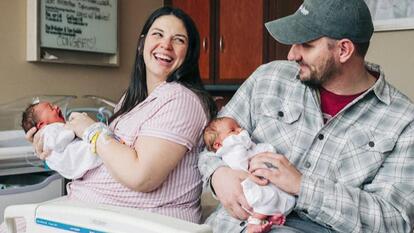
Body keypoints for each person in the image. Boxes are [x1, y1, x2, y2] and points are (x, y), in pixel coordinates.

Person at [199, 0, 414, 232]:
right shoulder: (268, 79)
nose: (292, 54)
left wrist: (303, 186)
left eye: (306, 45)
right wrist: (217, 175)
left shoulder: (402, 121)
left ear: (343, 50)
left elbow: (395, 221)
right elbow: (211, 143)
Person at [0, 6, 217, 233]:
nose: (165, 45)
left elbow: (141, 176)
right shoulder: (131, 100)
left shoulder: (182, 100)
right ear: (142, 43)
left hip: (141, 221)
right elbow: (103, 157)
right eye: (158, 34)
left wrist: (91, 130)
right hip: (94, 213)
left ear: (189, 52)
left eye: (178, 40)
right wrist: (53, 150)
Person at [203, 117, 295, 233]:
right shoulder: (231, 150)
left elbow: (255, 150)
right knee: (266, 197)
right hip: (244, 186)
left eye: (238, 127)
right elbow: (242, 161)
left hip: (256, 180)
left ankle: (270, 216)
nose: (240, 130)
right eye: (233, 130)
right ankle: (254, 223)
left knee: (277, 195)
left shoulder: (240, 145)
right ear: (218, 144)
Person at [21, 101, 102, 179]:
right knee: (95, 147)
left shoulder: (49, 135)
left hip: (74, 170)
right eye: (51, 108)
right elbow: (59, 141)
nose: (56, 107)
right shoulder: (48, 130)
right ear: (42, 124)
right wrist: (73, 127)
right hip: (82, 158)